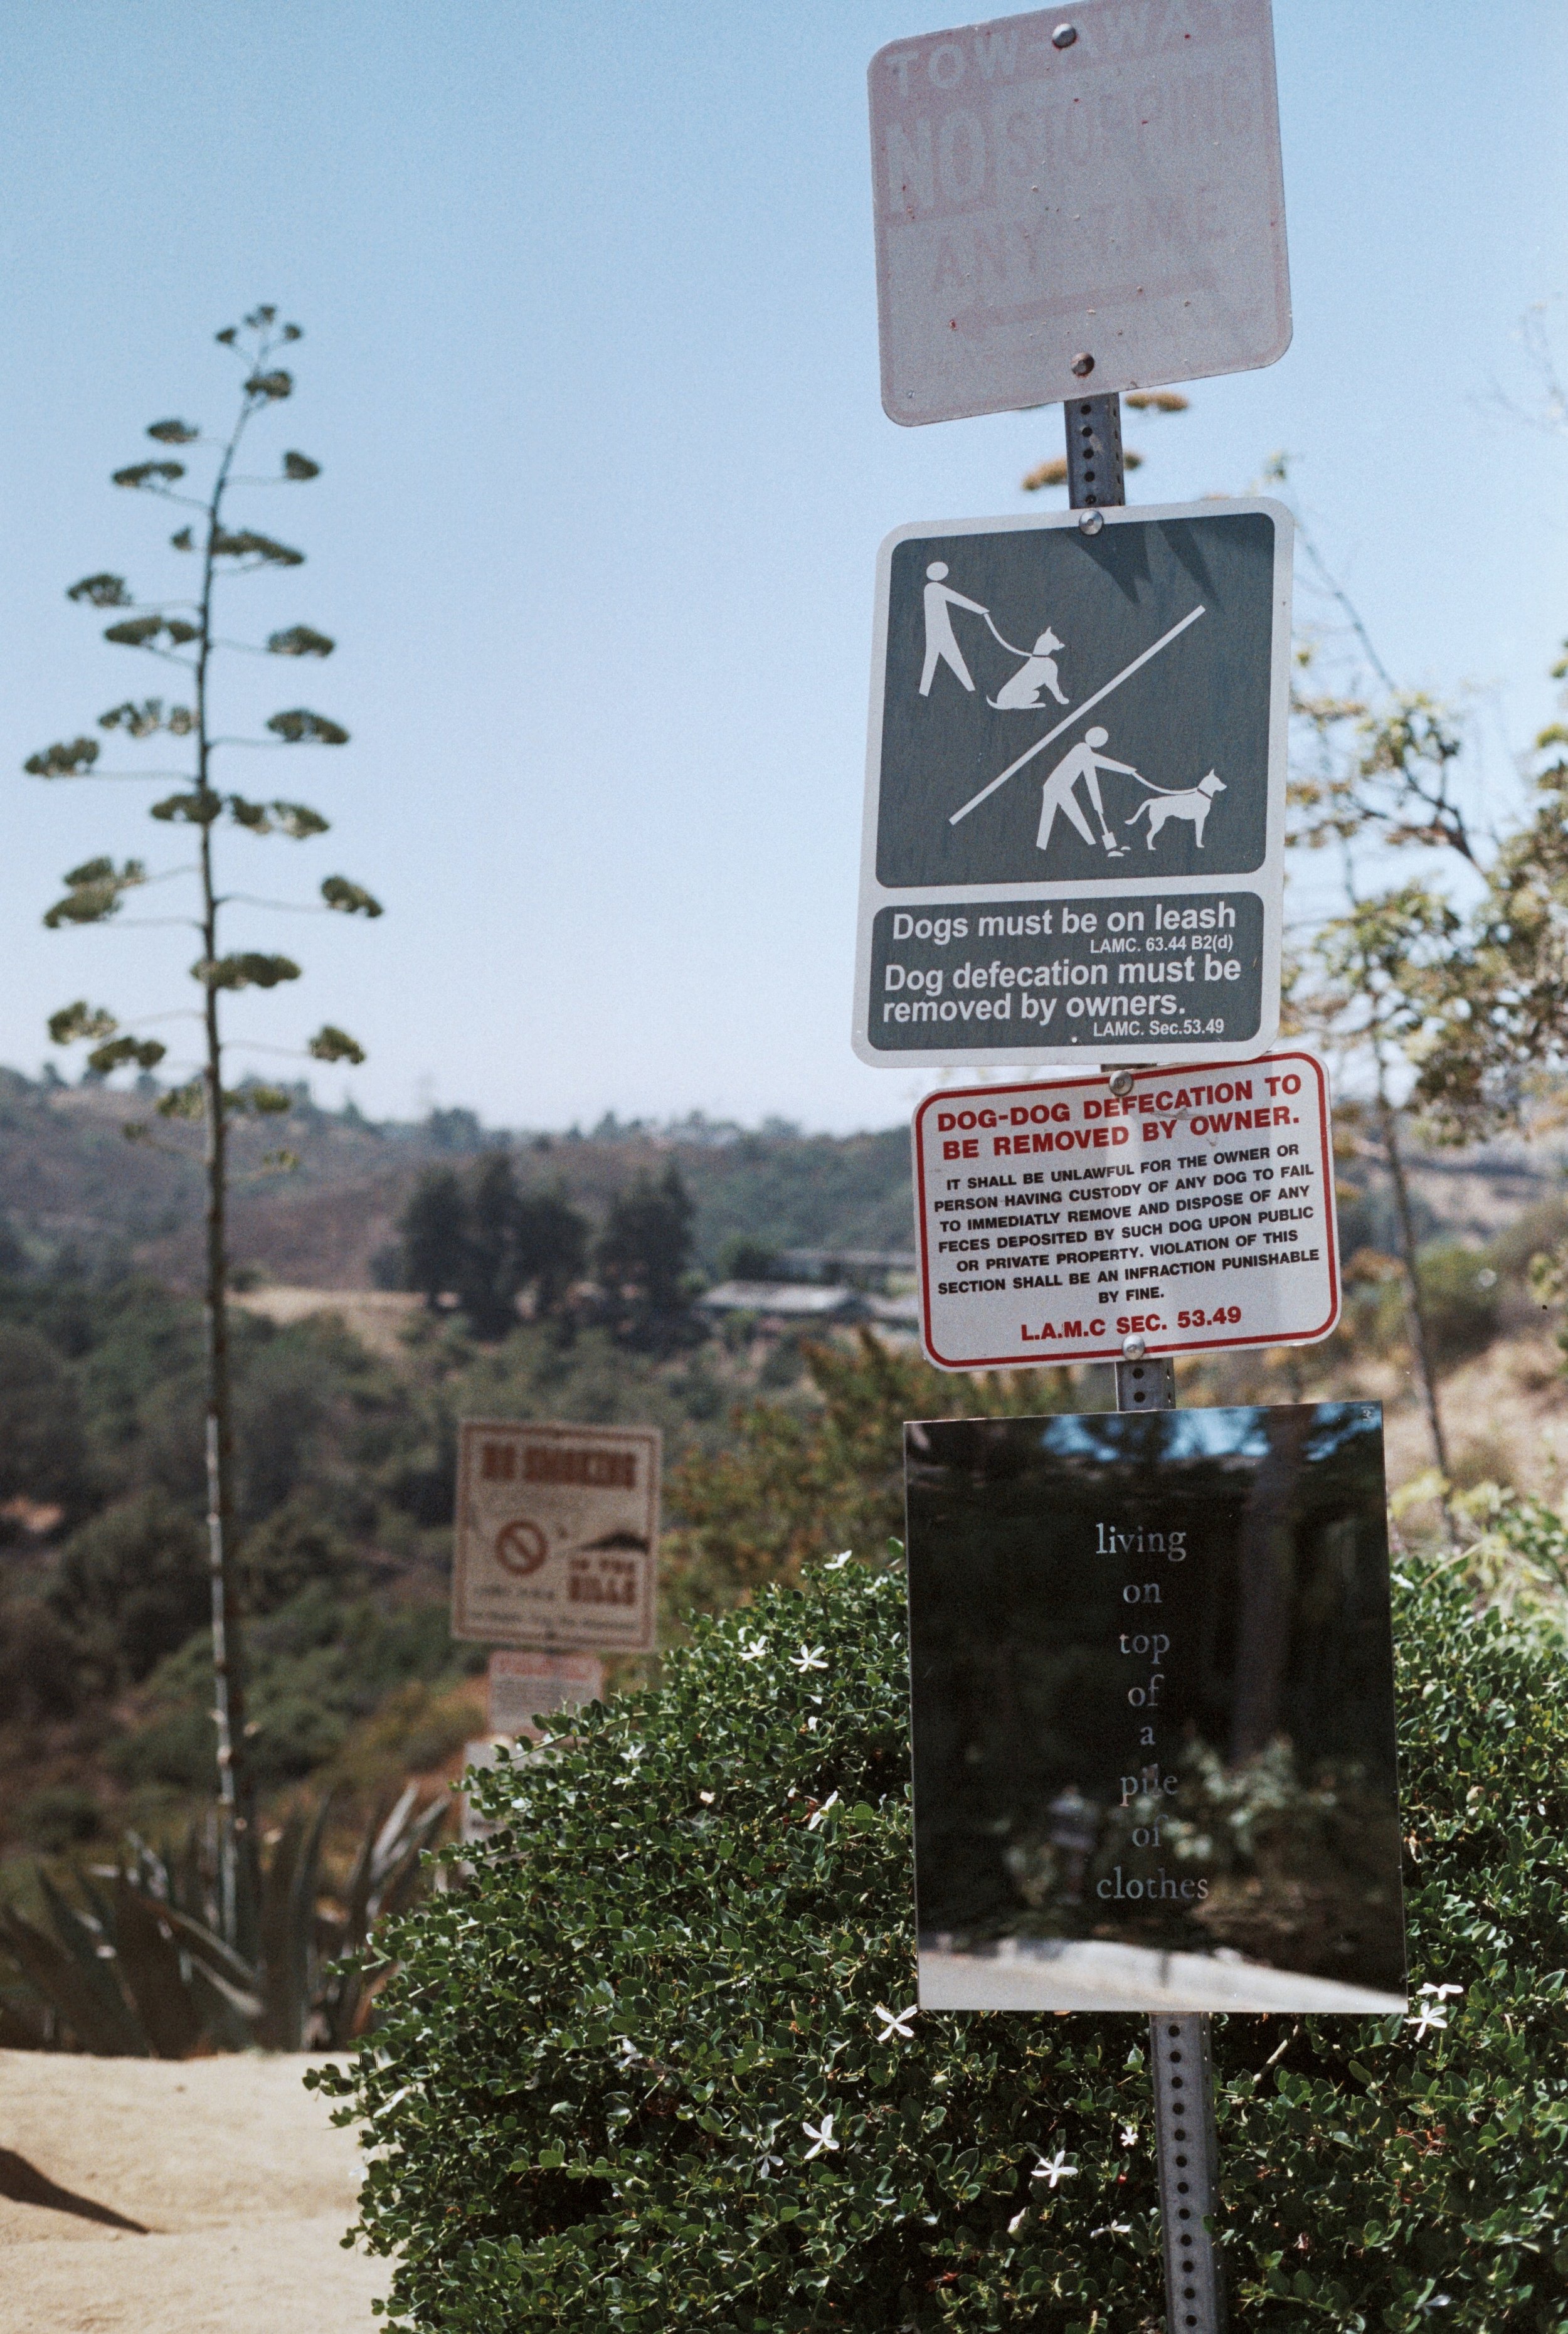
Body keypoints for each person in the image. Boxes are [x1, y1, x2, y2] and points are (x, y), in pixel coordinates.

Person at [1036, 726, 1142, 857]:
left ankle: (1041, 848)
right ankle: (1091, 846)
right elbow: (1091, 779)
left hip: (1055, 786)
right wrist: (1097, 804)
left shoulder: (1084, 750)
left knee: (1052, 818)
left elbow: (1100, 762)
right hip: (1058, 787)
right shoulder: (1083, 749)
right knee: (1071, 816)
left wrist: (1128, 770)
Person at [919, 561, 990, 696]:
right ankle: (970, 690)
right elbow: (957, 599)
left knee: (940, 659)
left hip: (939, 632)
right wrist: (980, 610)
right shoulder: (934, 588)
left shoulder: (931, 588)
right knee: (951, 658)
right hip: (940, 632)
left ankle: (924, 692)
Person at [990, 627, 1069, 710]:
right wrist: (1061, 699)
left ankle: (1018, 704)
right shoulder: (1047, 664)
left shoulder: (1039, 661)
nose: (1058, 642)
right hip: (1006, 700)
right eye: (1055, 640)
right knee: (1035, 694)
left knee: (1034, 693)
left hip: (1003, 699)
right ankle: (1020, 704)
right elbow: (1052, 684)